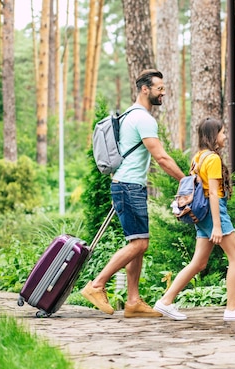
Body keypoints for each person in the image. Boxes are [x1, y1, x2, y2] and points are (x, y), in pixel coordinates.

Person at [81, 69, 186, 317]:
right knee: (140, 243)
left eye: (163, 88)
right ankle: (96, 285)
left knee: (136, 243)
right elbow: (160, 157)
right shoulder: (144, 119)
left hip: (127, 185)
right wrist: (185, 180)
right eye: (159, 88)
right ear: (145, 89)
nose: (163, 92)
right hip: (129, 187)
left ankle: (133, 302)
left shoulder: (129, 114)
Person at [153, 117, 235, 322]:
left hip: (201, 215)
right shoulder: (213, 159)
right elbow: (212, 194)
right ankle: (232, 309)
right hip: (213, 212)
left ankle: (165, 301)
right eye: (222, 132)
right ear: (213, 135)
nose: (225, 136)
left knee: (199, 263)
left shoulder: (198, 157)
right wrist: (217, 226)